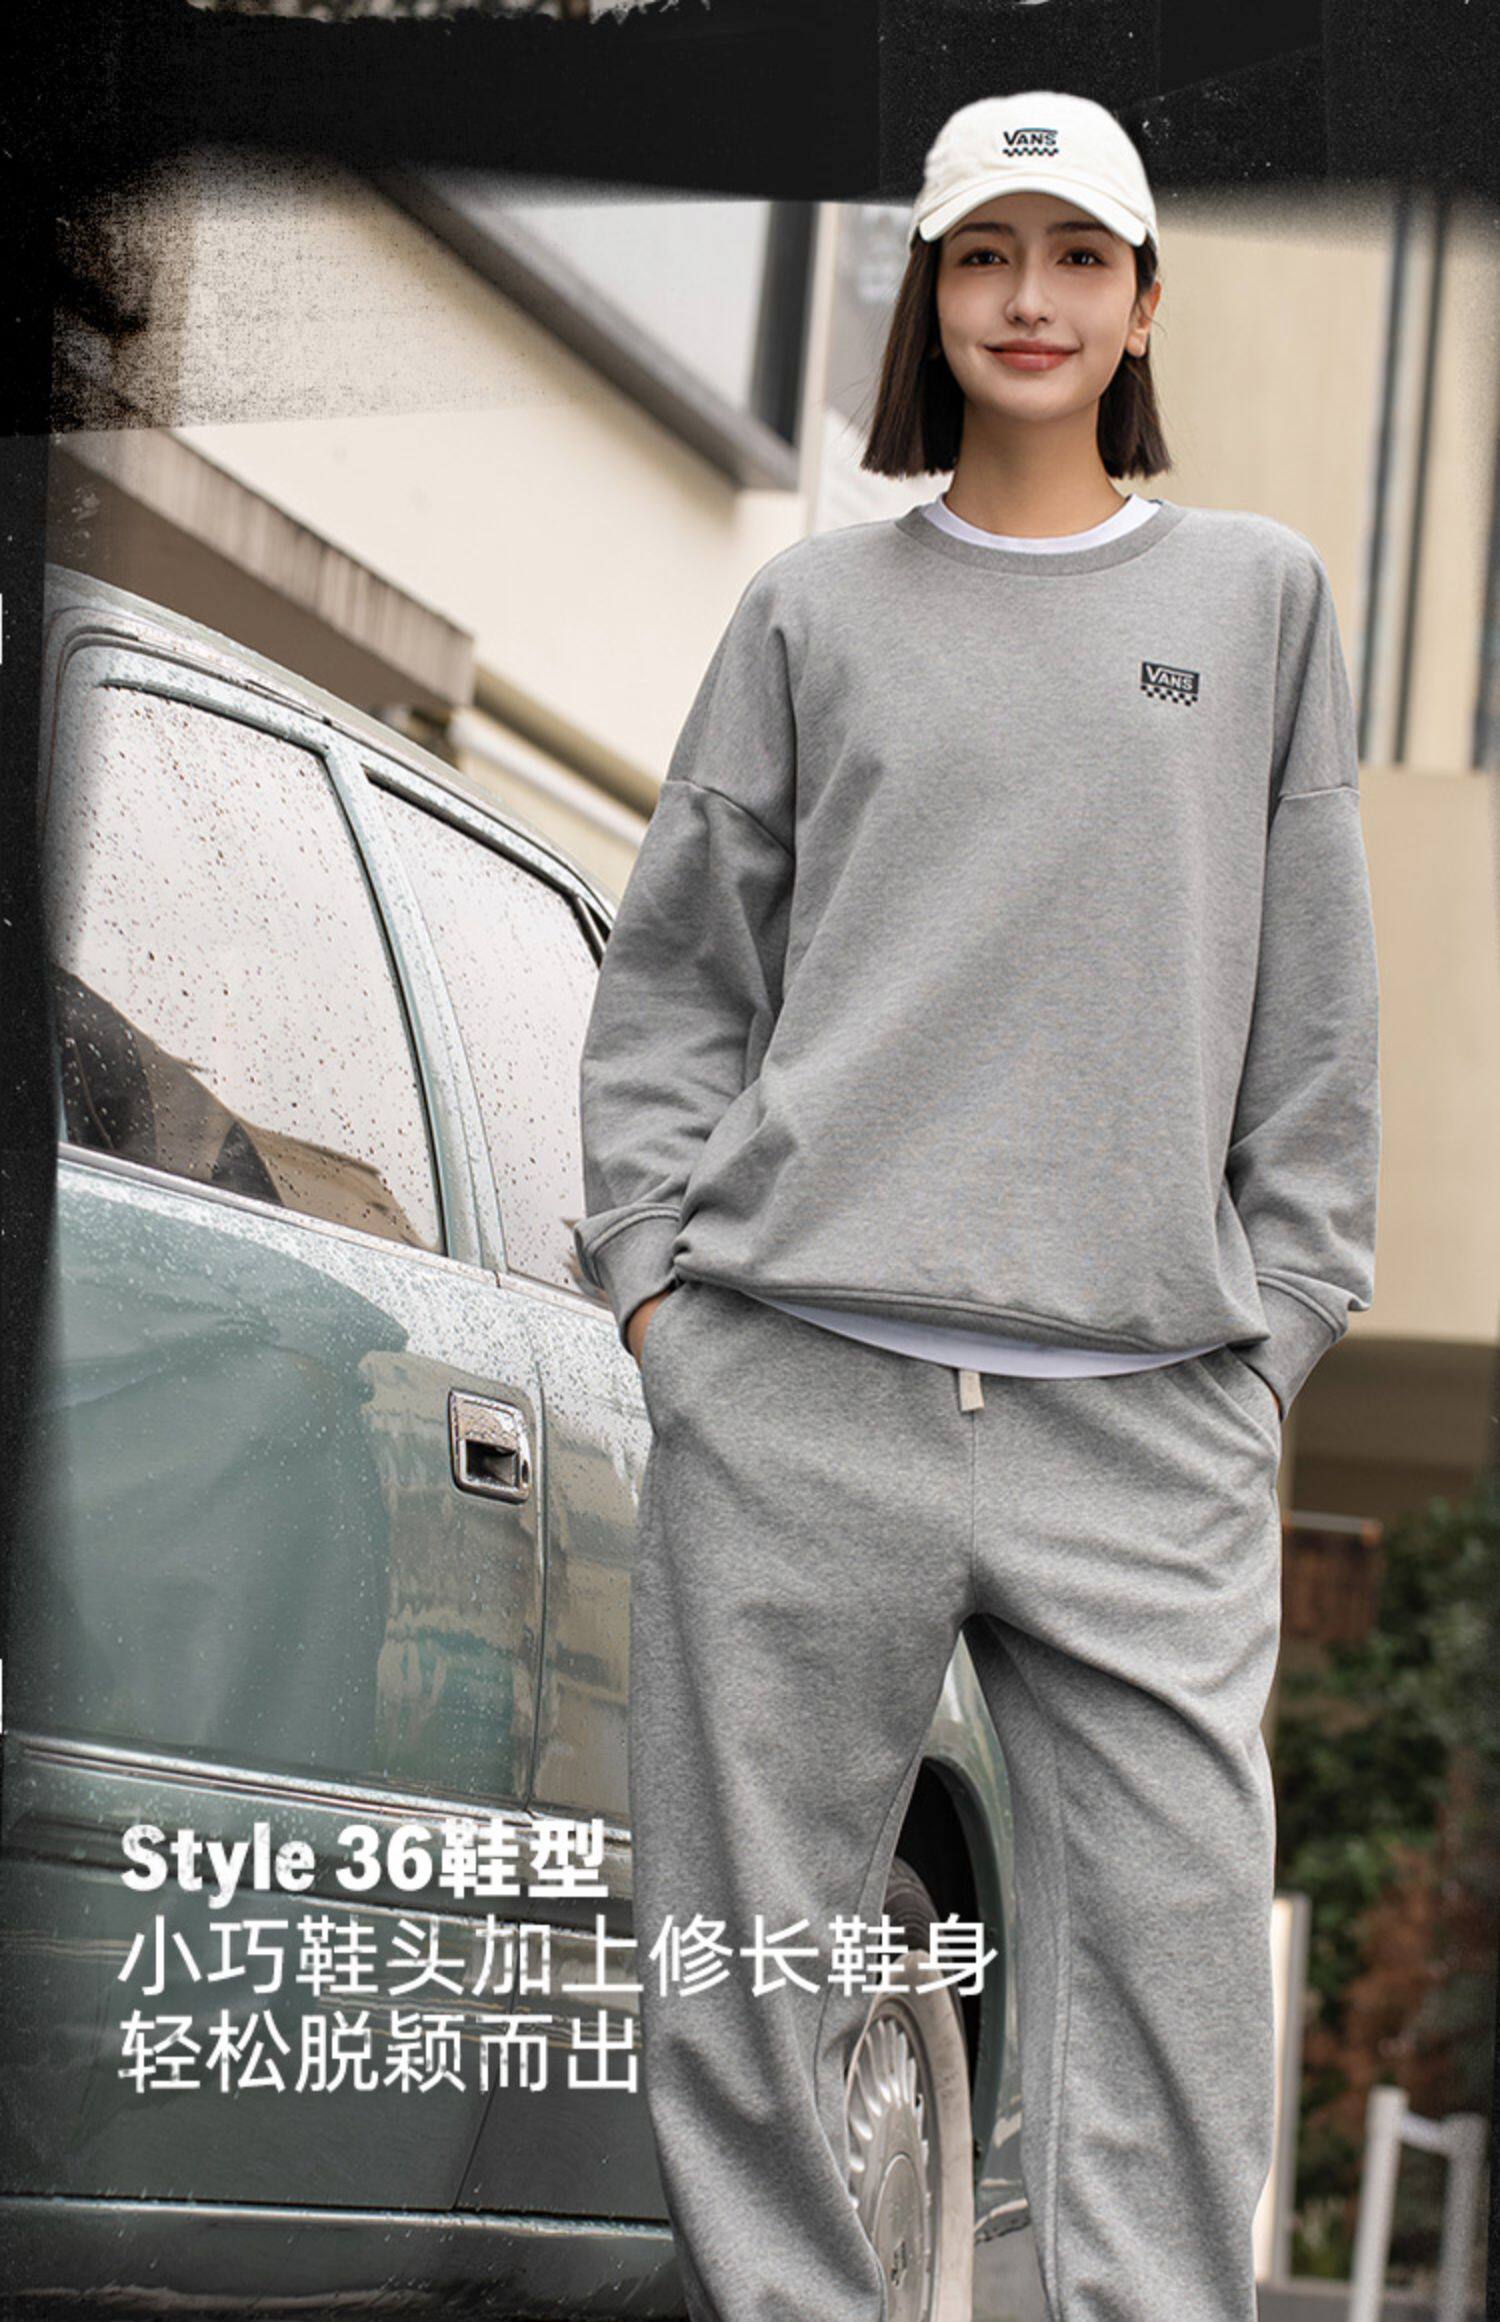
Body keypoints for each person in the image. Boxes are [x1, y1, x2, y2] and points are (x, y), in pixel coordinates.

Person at [573, 87, 1380, 2322]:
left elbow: (1317, 1007)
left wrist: (1275, 1334)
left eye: (1077, 255)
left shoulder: (1258, 601)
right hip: (798, 1392)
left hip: (1148, 1421)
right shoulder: (811, 610)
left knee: (1177, 1989)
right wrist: (660, 1299)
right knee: (746, 1968)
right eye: (984, 254)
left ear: (1144, 302)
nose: (1031, 298)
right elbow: (679, 977)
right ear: (928, 294)